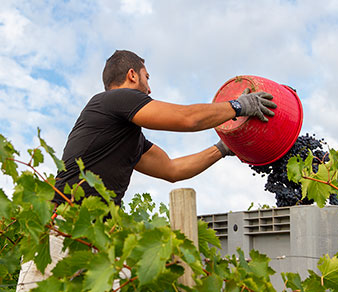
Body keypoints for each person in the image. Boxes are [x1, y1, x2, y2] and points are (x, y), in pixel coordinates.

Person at [16, 50, 277, 291]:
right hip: (62, 232)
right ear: (132, 75)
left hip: (96, 239)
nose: (149, 87)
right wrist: (239, 106)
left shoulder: (126, 135)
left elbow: (173, 169)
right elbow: (188, 118)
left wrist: (223, 148)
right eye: (146, 77)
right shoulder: (115, 99)